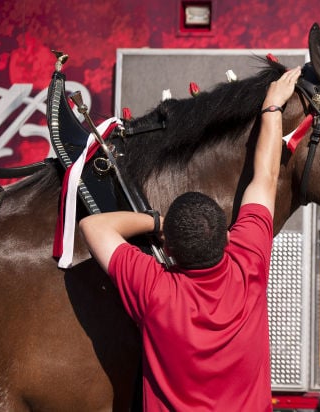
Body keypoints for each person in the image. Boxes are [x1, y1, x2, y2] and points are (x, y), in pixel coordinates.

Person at [79, 66, 302, 411]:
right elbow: (266, 176)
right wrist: (272, 106)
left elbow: (94, 227)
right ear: (227, 239)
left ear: (168, 250)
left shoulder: (155, 290)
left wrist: (158, 221)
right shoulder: (249, 264)